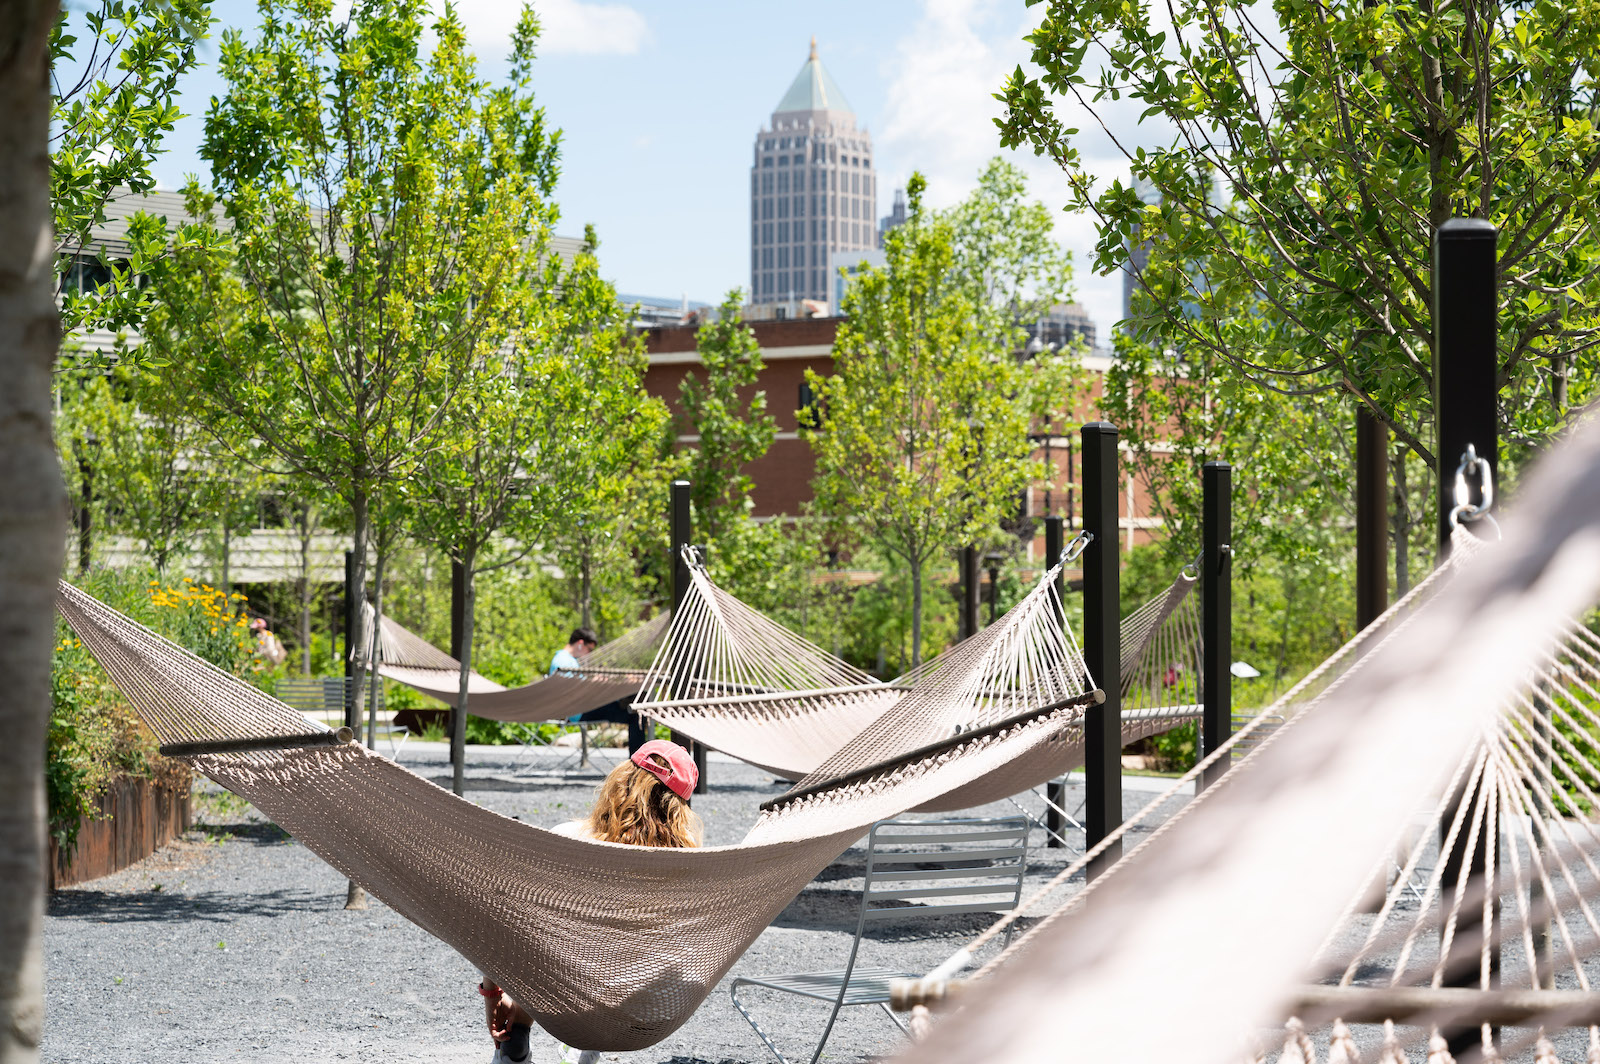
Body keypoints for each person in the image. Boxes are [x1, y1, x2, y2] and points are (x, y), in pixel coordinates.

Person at [477, 740, 703, 1064]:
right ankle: (587, 1044)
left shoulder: (567, 838)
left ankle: (516, 1040)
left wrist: (493, 994)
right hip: (640, 1006)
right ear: (680, 807)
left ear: (620, 781)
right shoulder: (692, 869)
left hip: (560, 994)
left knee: (537, 936)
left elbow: (507, 921)